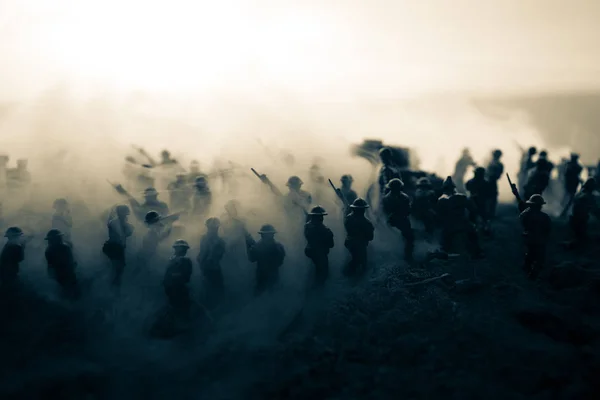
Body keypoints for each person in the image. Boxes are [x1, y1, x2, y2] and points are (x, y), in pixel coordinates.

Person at [437, 177, 484, 258]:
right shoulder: (462, 197)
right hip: (463, 223)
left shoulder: (441, 199)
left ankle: (444, 251)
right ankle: (477, 252)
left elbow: (439, 215)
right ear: (454, 187)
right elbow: (473, 209)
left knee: (444, 238)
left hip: (449, 226)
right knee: (472, 234)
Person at [514, 192, 552, 279]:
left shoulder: (526, 214)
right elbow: (548, 229)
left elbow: (522, 218)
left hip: (529, 238)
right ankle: (532, 274)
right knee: (539, 258)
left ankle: (527, 268)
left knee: (531, 254)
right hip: (539, 240)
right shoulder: (544, 217)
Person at [245, 224, 286, 295]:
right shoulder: (277, 246)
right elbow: (252, 258)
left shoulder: (277, 247)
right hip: (262, 277)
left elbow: (252, 258)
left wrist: (251, 246)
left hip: (270, 276)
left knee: (272, 296)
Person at [381, 178, 414, 261]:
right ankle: (406, 256)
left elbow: (384, 212)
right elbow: (408, 210)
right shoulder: (404, 197)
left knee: (406, 238)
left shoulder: (386, 198)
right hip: (399, 221)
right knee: (408, 238)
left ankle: (404, 256)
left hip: (394, 222)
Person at [102, 204, 134, 288]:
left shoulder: (121, 222)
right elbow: (122, 234)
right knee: (116, 269)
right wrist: (129, 228)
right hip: (113, 247)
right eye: (125, 214)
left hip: (118, 248)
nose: (126, 216)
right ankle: (111, 287)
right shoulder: (115, 222)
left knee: (119, 269)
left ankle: (114, 286)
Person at [197, 217, 226, 305]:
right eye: (211, 228)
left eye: (214, 228)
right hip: (208, 269)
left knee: (216, 291)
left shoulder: (220, 241)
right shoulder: (205, 239)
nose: (212, 230)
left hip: (213, 269)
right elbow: (201, 254)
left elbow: (217, 256)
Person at [304, 206, 335, 287]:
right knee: (323, 274)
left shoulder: (307, 226)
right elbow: (331, 245)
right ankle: (317, 292)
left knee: (312, 271)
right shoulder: (325, 231)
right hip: (320, 254)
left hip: (310, 251)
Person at [343, 198, 374, 277]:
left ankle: (349, 274)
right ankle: (354, 277)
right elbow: (370, 237)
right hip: (360, 244)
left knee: (354, 258)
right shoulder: (366, 222)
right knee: (362, 262)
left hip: (349, 242)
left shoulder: (348, 217)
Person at [44, 229, 79, 299]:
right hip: (59, 275)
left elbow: (70, 262)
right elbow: (50, 265)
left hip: (68, 275)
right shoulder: (49, 251)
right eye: (50, 240)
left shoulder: (65, 248)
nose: (50, 242)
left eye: (51, 239)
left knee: (73, 292)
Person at [163, 239, 193, 318]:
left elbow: (186, 276)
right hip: (174, 288)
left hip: (178, 287)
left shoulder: (185, 261)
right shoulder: (173, 260)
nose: (183, 250)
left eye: (184, 249)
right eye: (182, 248)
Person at [567, 178, 599, 246]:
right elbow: (595, 210)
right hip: (580, 222)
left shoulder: (580, 194)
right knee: (584, 240)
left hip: (574, 220)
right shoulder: (588, 196)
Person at [465, 167, 494, 234]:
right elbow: (489, 195)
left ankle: (478, 230)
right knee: (481, 217)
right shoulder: (485, 183)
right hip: (479, 202)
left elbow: (467, 188)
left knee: (479, 218)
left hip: (477, 202)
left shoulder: (471, 182)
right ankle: (481, 230)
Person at [486, 149, 504, 218]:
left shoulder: (496, 164)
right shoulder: (496, 163)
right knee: (490, 197)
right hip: (490, 181)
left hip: (492, 181)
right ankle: (489, 213)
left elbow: (498, 175)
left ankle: (490, 213)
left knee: (491, 197)